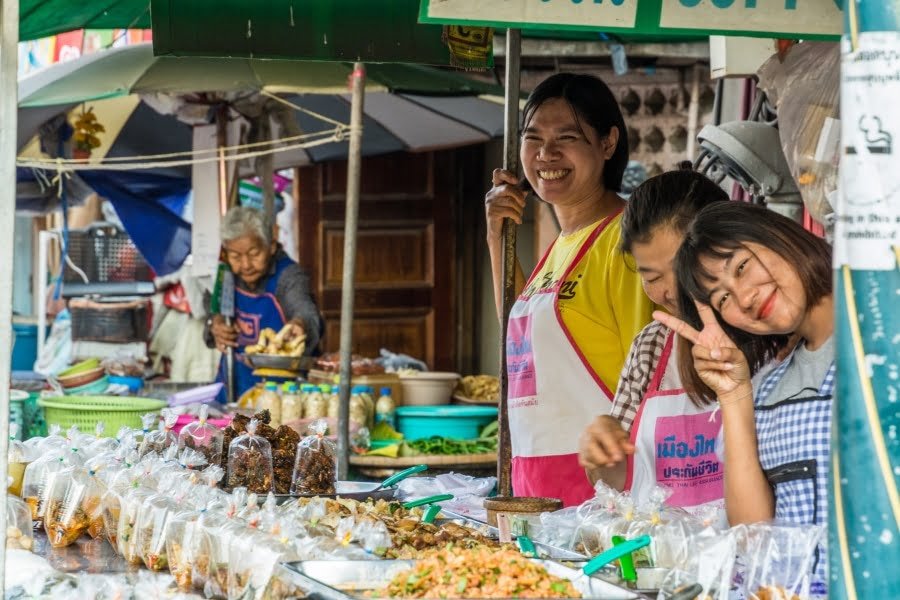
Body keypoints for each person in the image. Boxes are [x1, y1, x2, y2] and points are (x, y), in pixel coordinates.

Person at [485, 73, 654, 506]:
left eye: (567, 137)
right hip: (536, 482)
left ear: (608, 143)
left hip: (601, 490)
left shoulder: (626, 241)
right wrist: (495, 238)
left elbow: (655, 374)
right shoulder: (560, 244)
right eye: (533, 137)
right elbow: (521, 351)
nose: (546, 154)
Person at [655, 201, 832, 592]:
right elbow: (754, 540)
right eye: (722, 300)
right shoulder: (767, 390)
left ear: (779, 234)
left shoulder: (883, 333)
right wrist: (734, 396)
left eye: (741, 267)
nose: (744, 298)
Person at [577, 170, 729, 514]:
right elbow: (616, 482)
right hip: (658, 558)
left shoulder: (763, 339)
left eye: (681, 267)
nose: (669, 290)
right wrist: (603, 449)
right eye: (652, 277)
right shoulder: (651, 346)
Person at [206, 206, 324, 399]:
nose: (245, 265)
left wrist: (300, 324)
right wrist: (216, 324)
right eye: (236, 256)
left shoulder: (289, 276)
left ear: (271, 246)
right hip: (232, 386)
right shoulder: (224, 274)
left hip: (281, 394)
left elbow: (305, 311)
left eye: (254, 254)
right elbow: (211, 309)